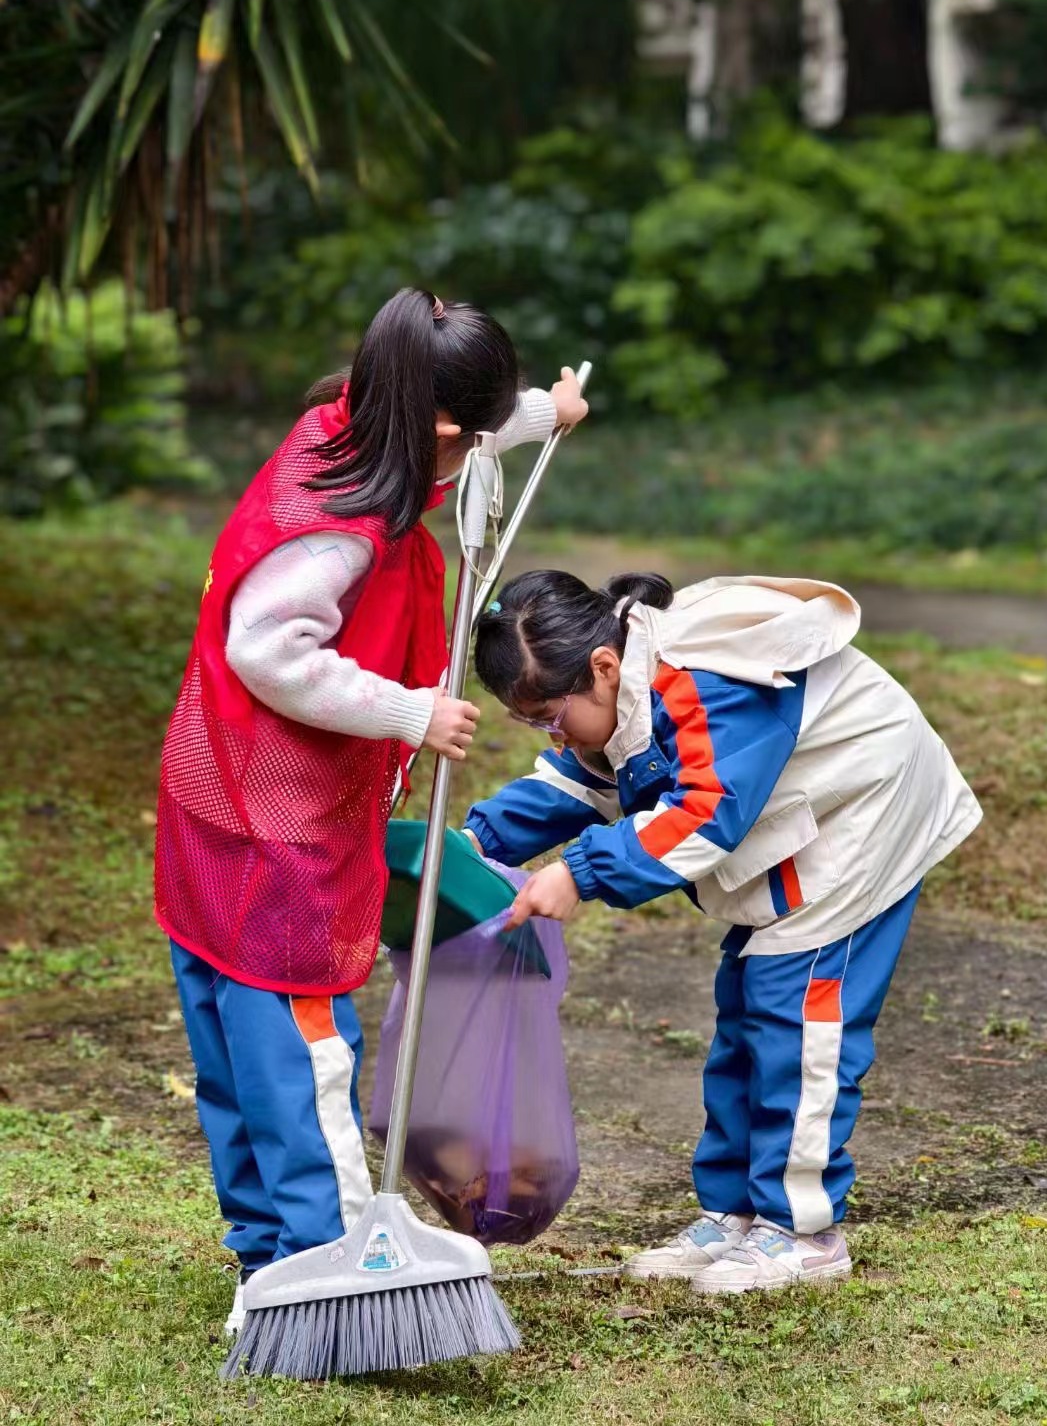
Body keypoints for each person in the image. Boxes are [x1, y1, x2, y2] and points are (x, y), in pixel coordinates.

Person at [153, 288, 588, 1332]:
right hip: (280, 837)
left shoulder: (351, 420)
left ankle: (264, 1257)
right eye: (472, 434)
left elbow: (463, 438)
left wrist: (544, 417)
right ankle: (332, 1266)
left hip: (215, 801)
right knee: (301, 1051)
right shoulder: (333, 535)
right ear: (439, 429)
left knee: (232, 1047)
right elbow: (268, 651)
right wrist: (411, 713)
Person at [463, 568, 980, 1294]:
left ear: (603, 668)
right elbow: (579, 781)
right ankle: (734, 1214)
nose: (549, 733)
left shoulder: (706, 681)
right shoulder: (622, 687)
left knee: (797, 1021)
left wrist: (579, 874)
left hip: (863, 811)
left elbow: (707, 811)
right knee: (744, 1018)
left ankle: (802, 1233)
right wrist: (473, 843)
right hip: (796, 821)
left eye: (549, 714)